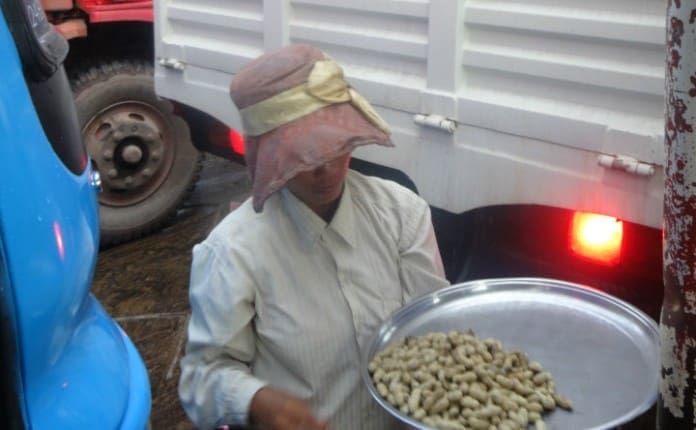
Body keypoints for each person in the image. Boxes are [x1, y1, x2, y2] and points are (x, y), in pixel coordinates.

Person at [178, 44, 450, 430]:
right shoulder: (233, 253)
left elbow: (433, 325)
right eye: (304, 155)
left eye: (335, 146)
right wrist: (255, 400)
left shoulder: (401, 214)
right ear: (269, 156)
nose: (325, 167)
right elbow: (200, 379)